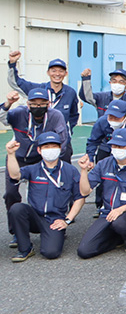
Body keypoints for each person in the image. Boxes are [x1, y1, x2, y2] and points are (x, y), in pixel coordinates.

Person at [0, 89, 70, 246]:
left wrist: (53, 158)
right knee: (11, 194)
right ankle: (17, 232)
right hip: (17, 158)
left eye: (42, 104)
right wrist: (8, 103)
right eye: (34, 104)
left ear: (48, 104)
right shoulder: (19, 113)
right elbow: (2, 117)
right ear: (28, 104)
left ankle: (54, 225)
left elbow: (62, 138)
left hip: (41, 158)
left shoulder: (55, 116)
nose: (38, 106)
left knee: (49, 191)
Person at [5, 132, 83, 262]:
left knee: (51, 252)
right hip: (35, 216)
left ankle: (58, 233)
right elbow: (15, 175)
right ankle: (25, 249)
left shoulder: (70, 170)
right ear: (39, 150)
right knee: (17, 209)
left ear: (60, 148)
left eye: (54, 146)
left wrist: (67, 220)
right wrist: (11, 154)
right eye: (46, 147)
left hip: (55, 219)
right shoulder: (33, 169)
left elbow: (80, 198)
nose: (50, 150)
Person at [76, 129, 126, 257]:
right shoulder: (104, 164)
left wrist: (121, 209)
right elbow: (85, 191)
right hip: (107, 213)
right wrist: (83, 171)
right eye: (114, 146)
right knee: (84, 251)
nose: (116, 149)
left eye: (121, 146)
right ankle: (118, 238)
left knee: (120, 223)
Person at [85, 99, 126, 216]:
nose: (112, 120)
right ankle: (101, 206)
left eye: (116, 118)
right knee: (104, 175)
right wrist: (90, 157)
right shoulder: (102, 122)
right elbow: (93, 141)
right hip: (107, 148)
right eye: (110, 117)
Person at [7, 52, 79, 130]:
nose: (57, 74)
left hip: (61, 138)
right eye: (54, 71)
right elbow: (15, 82)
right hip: (40, 138)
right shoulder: (37, 90)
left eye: (61, 71)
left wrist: (67, 130)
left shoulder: (70, 93)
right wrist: (12, 64)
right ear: (48, 72)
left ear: (66, 73)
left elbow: (73, 115)